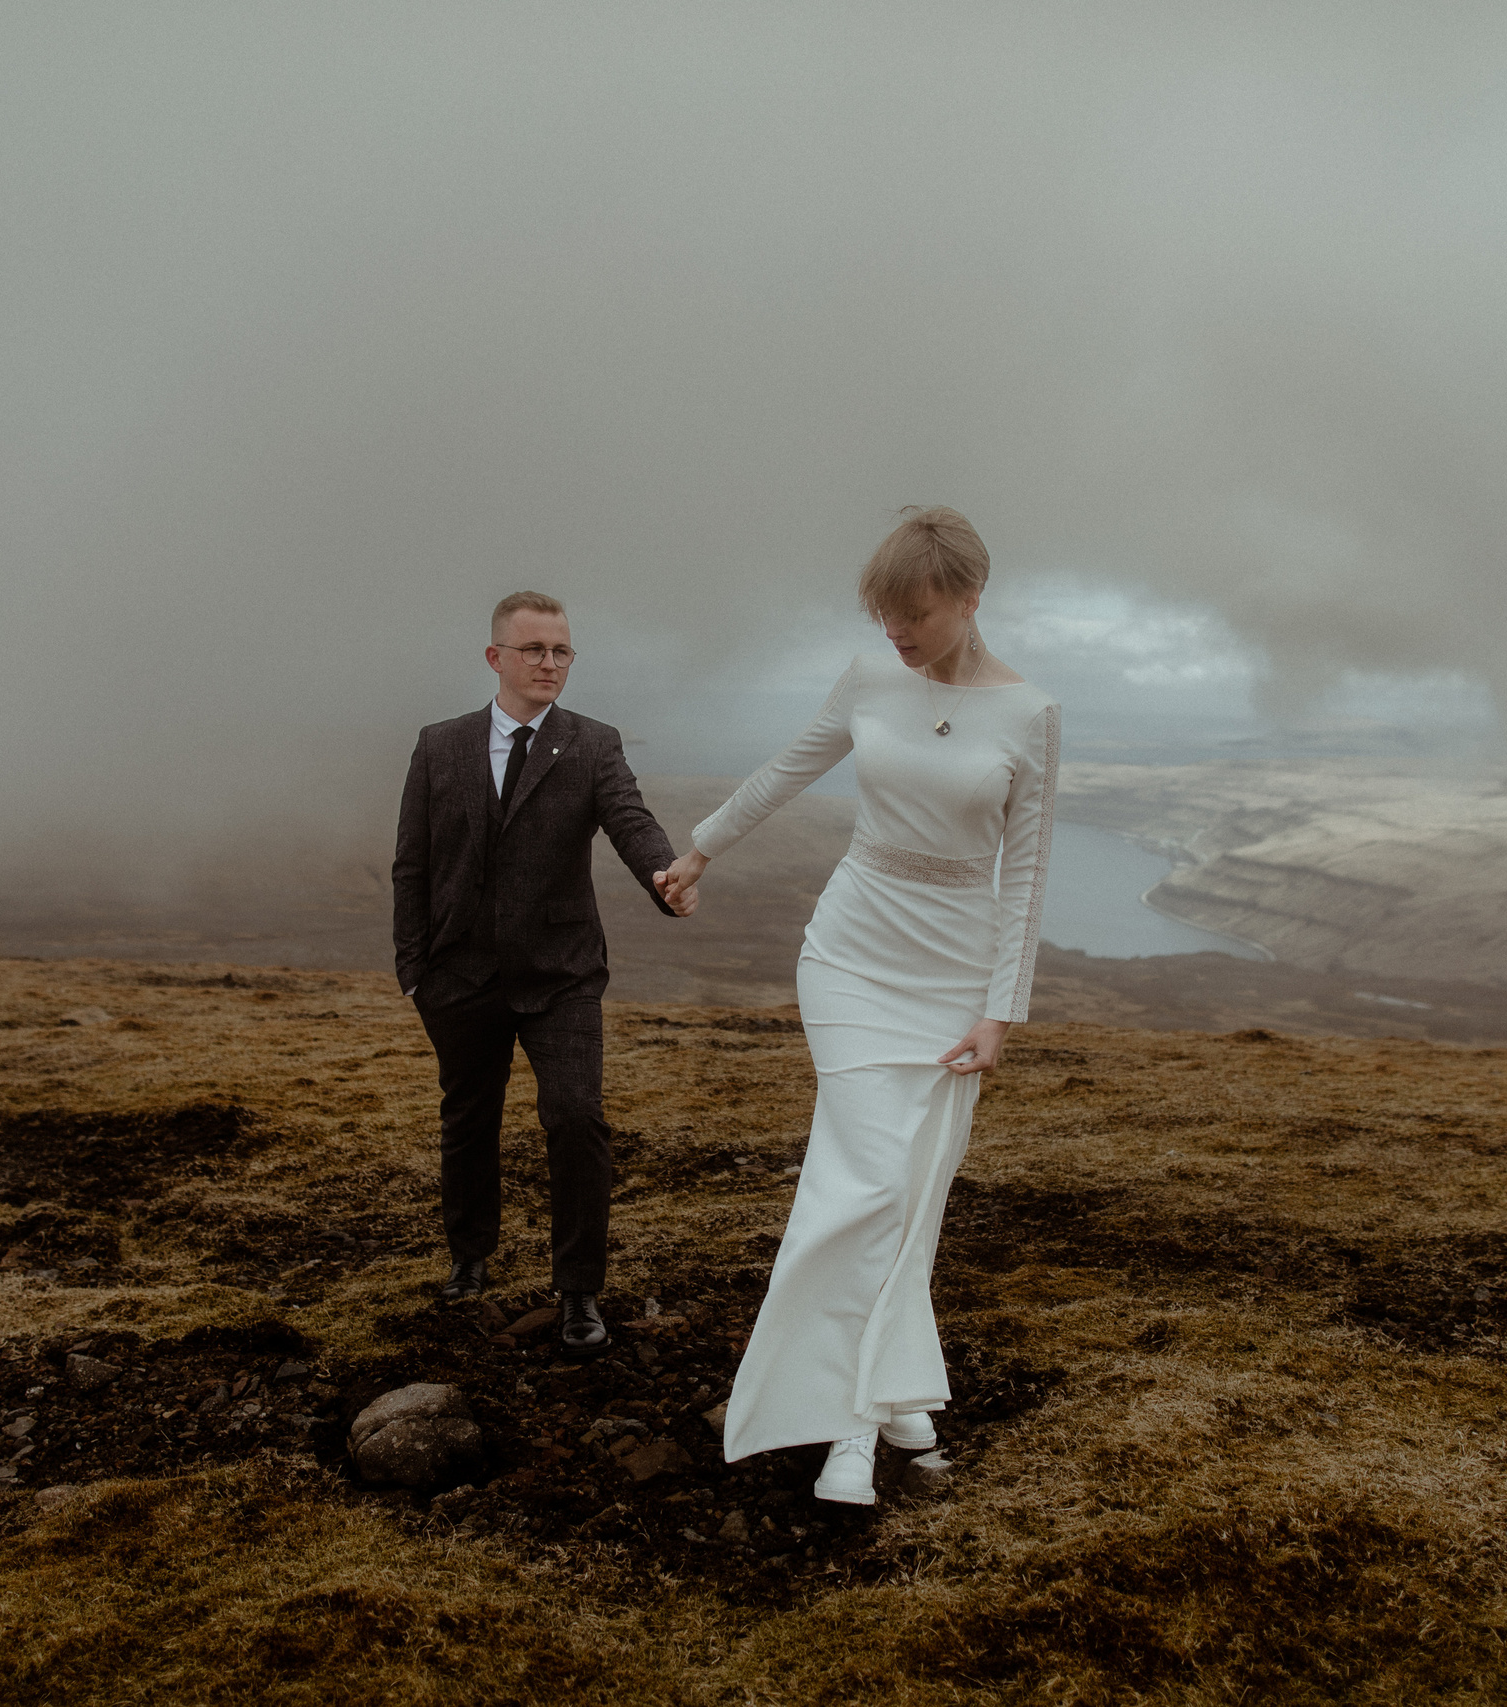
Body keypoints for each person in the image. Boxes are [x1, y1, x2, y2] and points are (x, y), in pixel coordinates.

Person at [656, 507, 1058, 1504]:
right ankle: (843, 1427)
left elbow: (1025, 879)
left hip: (953, 982)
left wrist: (999, 1014)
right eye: (885, 616)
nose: (898, 635)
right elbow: (789, 767)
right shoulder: (871, 678)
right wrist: (701, 846)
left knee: (911, 1194)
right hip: (850, 958)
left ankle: (890, 1399)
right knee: (866, 1183)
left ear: (969, 599)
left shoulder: (1031, 716)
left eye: (914, 614)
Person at [392, 591, 698, 1359]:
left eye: (561, 650)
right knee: (468, 1121)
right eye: (533, 650)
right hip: (459, 976)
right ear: (496, 657)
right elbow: (413, 862)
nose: (549, 663)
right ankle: (470, 1255)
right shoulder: (440, 745)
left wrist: (664, 874)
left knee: (575, 1118)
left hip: (561, 975)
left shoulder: (593, 744)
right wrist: (413, 969)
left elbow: (630, 819)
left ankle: (579, 1289)